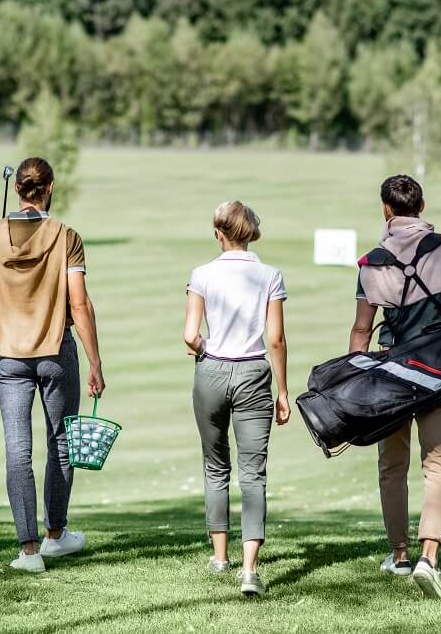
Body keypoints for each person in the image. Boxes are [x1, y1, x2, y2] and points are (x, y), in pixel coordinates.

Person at [348, 175, 441, 599]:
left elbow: (361, 330)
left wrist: (355, 378)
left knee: (391, 466)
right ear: (423, 205)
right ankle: (428, 557)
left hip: (389, 374)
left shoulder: (371, 262)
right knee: (439, 465)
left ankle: (399, 554)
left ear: (386, 209)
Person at [0, 157, 105, 574]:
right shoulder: (67, 236)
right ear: (49, 188)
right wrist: (95, 361)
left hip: (8, 357)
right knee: (61, 442)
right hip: (56, 352)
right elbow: (78, 303)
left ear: (18, 190)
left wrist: (3, 317)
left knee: (16, 450)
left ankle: (29, 552)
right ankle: (56, 536)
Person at [183, 201, 290, 597]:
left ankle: (219, 557)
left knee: (215, 466)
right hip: (253, 374)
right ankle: (249, 570)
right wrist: (282, 390)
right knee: (253, 472)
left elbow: (190, 336)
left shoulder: (202, 274)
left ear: (218, 234)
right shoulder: (270, 275)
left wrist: (208, 346)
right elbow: (275, 339)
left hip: (210, 371)